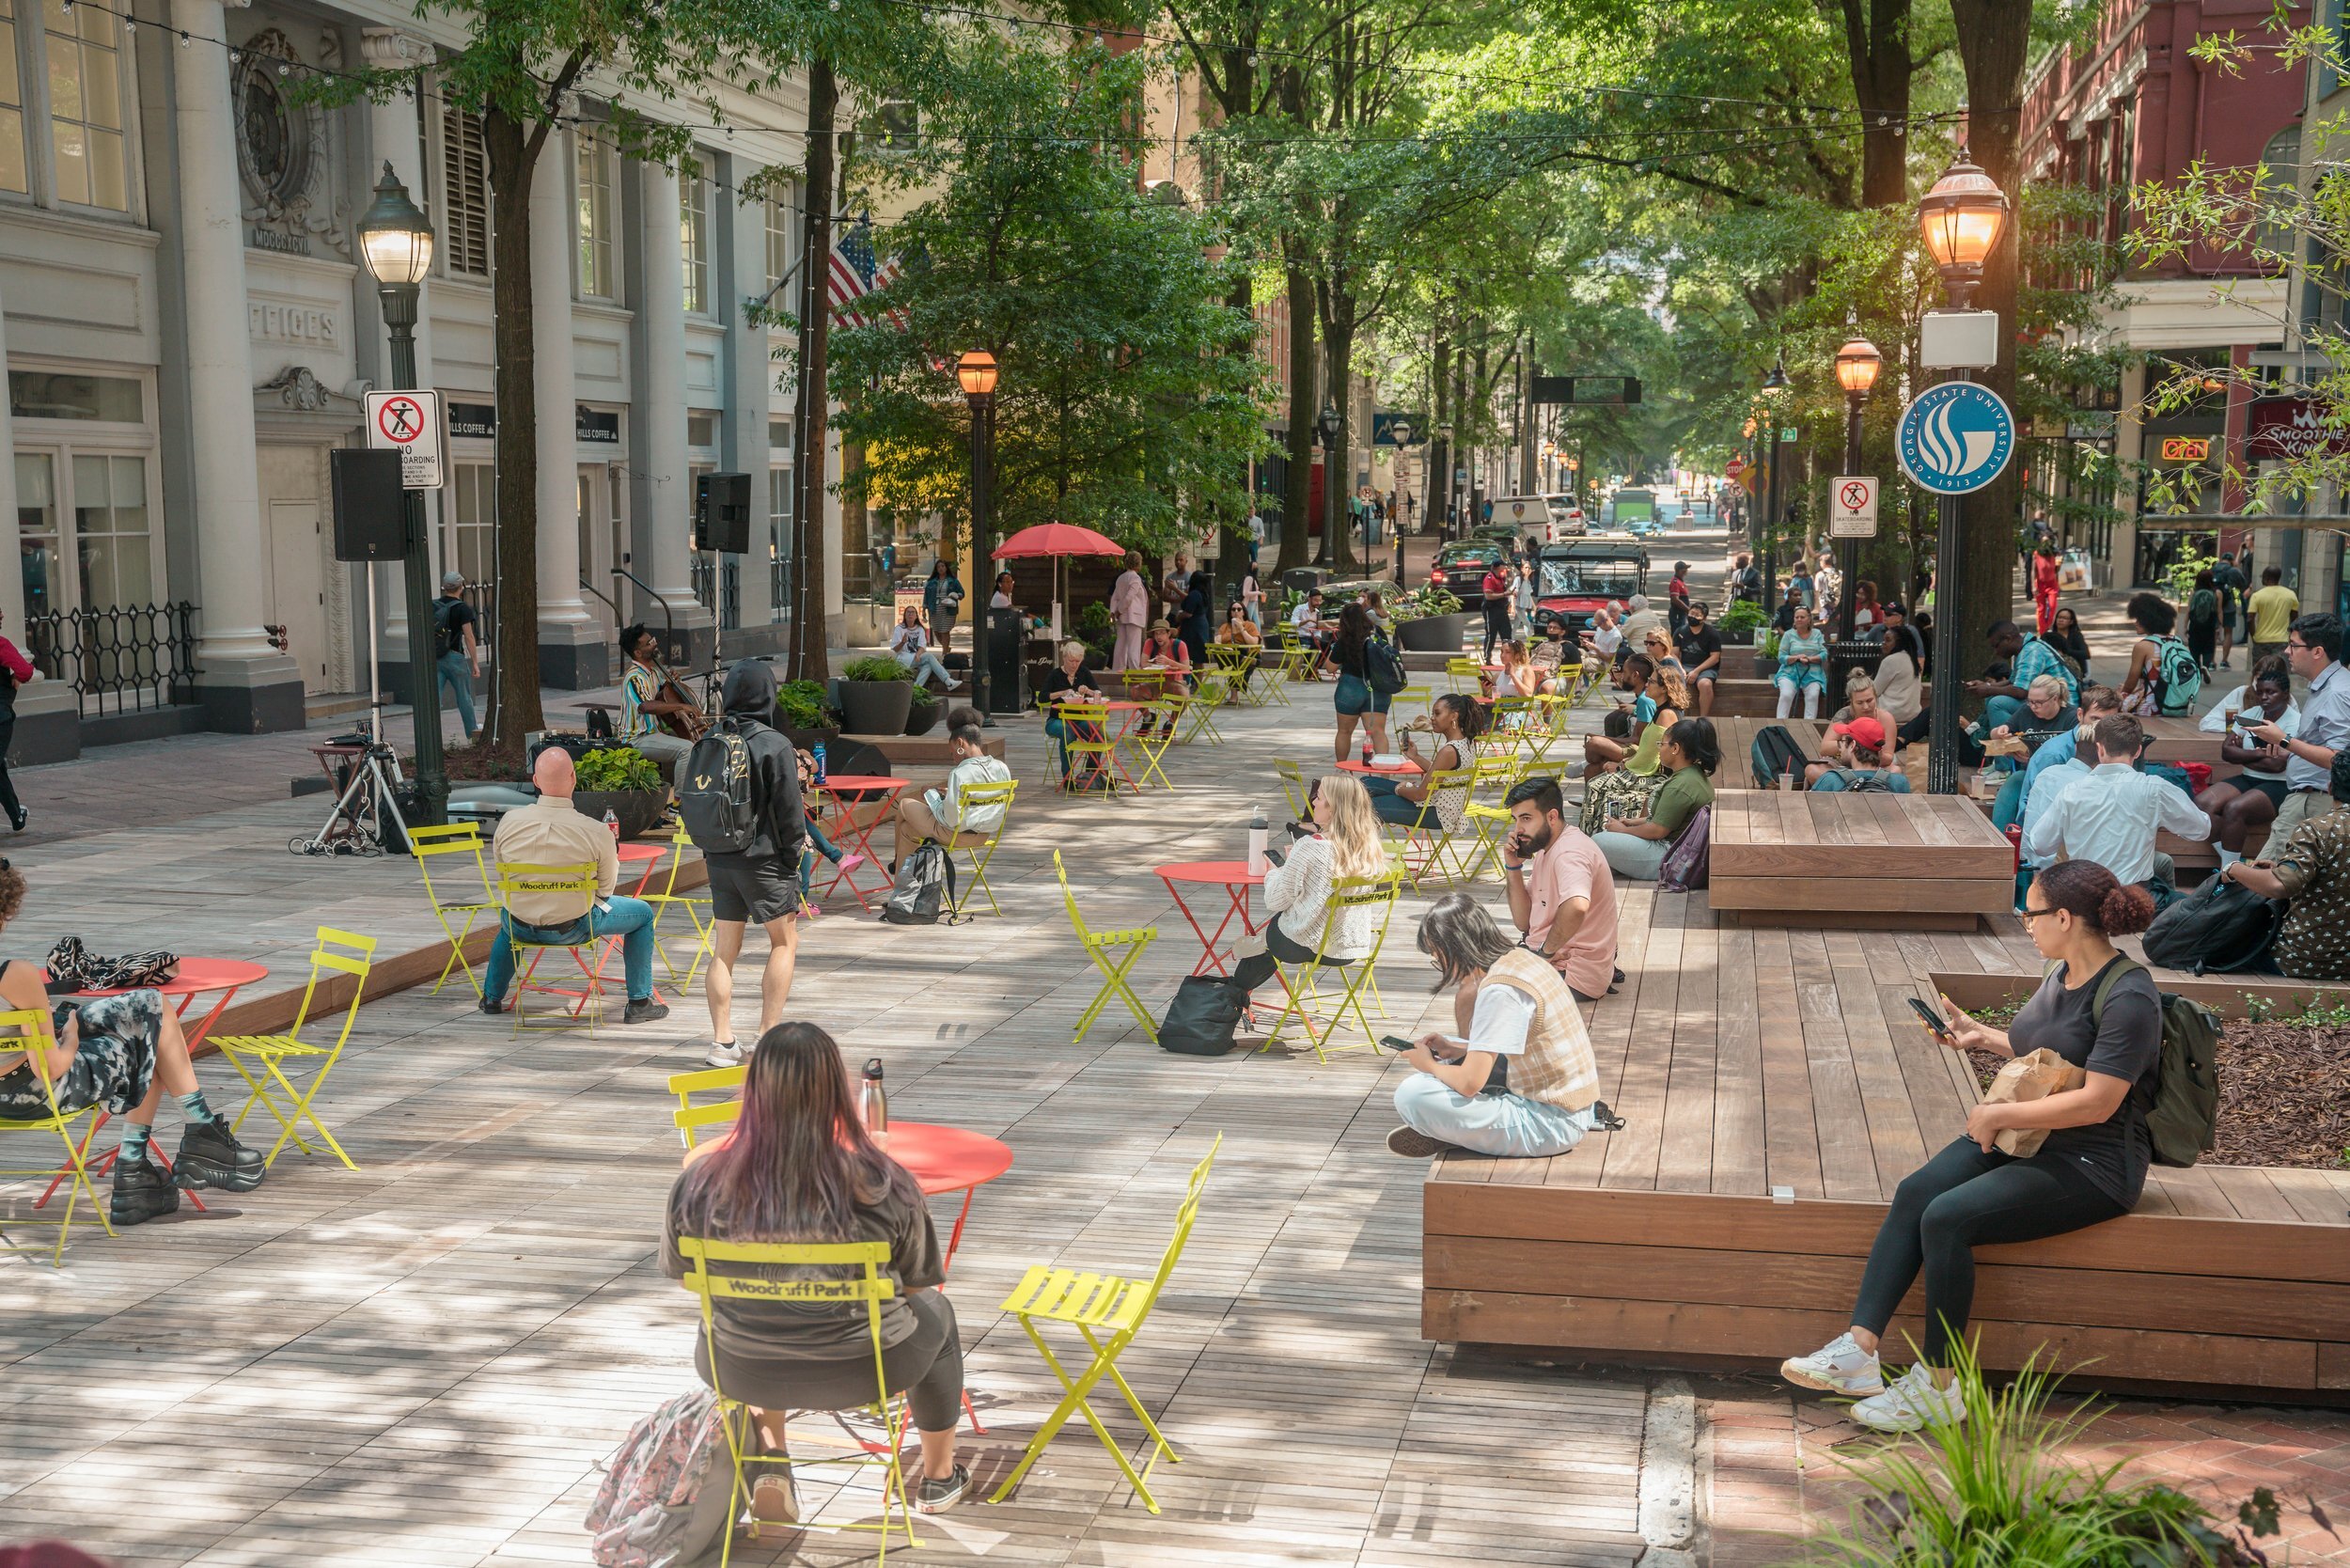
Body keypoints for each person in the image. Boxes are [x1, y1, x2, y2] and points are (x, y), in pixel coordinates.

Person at [1778, 859, 2161, 1433]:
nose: (2023, 924)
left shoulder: (2130, 995)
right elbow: (2051, 1057)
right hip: (2028, 1134)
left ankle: (1940, 1386)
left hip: (2092, 1163)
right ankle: (1859, 1354)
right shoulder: (2061, 972)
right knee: (1917, 1192)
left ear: (2064, 917)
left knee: (1948, 1217)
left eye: (2029, 913)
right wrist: (1984, 1038)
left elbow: (2099, 1102)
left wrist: (2001, 1110)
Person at [664, 1021, 972, 1518]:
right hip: (869, 1367)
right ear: (837, 1091)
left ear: (753, 1091)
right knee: (939, 1313)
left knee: (766, 1310)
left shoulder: (699, 1182)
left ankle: (772, 1462)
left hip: (739, 1364)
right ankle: (938, 1478)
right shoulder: (883, 1182)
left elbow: (682, 1274)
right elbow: (919, 1282)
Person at [0, 860, 265, 1226]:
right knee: (150, 1020)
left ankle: (144, 1172)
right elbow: (54, 1067)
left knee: (145, 1017)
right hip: (36, 1095)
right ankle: (174, 1146)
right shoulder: (14, 975)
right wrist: (71, 1034)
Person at [1385, 893, 1612, 1160]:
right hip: (1572, 1108)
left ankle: (1460, 1131)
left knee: (1412, 1094)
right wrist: (1457, 1050)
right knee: (1453, 1053)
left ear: (1455, 949)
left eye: (1439, 958)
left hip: (1548, 1125)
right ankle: (1466, 1130)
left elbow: (1470, 1083)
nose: (1441, 966)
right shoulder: (1522, 960)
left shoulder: (1501, 991)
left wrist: (1429, 1065)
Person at [481, 745, 670, 1027]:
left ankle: (492, 998)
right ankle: (639, 1002)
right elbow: (605, 890)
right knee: (642, 914)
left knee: (511, 916)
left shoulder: (509, 823)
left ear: (535, 781)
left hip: (519, 924)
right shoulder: (596, 831)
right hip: (575, 927)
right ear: (573, 778)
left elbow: (503, 875)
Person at [694, 662, 804, 1066]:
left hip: (719, 858)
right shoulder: (774, 743)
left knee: (724, 951)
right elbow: (790, 811)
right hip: (764, 859)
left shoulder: (710, 738)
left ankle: (722, 1042)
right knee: (784, 942)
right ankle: (767, 1036)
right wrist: (793, 858)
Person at [1229, 773, 1387, 1000]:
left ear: (1333, 808)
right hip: (1349, 947)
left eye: (1319, 797)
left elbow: (1274, 900)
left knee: (1276, 926)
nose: (1313, 801)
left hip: (1305, 944)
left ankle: (1235, 993)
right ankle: (1238, 990)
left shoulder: (1311, 847)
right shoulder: (1369, 849)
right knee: (1275, 932)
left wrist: (1276, 871)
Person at [2023, 714, 2208, 909]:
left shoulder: (2072, 791)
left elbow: (2040, 845)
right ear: (2137, 751)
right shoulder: (2155, 789)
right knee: (2196, 908)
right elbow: (2201, 830)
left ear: (2100, 749)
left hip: (2085, 899)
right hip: (2134, 900)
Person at [2217, 749, 2350, 980]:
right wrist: (2282, 868)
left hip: (2306, 960)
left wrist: (2235, 868)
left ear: (2330, 788)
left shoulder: (2317, 829)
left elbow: (2279, 886)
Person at [1498, 778, 1619, 1004]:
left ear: (1552, 816)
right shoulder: (1548, 847)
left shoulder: (1569, 854)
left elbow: (1576, 906)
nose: (1518, 830)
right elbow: (1524, 922)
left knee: (1485, 989)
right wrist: (1513, 866)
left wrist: (1545, 954)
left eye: (1526, 818)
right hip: (1551, 959)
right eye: (1515, 820)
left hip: (1574, 974)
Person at [2248, 612, 2350, 845]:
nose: (2287, 651)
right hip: (2308, 798)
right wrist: (2290, 750)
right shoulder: (2326, 686)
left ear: (2317, 652)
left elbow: (2338, 758)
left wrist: (2284, 740)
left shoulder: (2337, 692)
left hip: (2317, 802)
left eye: (2294, 646)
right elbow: (2322, 744)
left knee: (2272, 876)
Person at [2196, 661, 2296, 869]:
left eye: (2271, 692)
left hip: (2279, 785)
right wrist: (2261, 754)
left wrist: (2245, 754)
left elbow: (2278, 766)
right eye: (2260, 692)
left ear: (2285, 694)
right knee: (2202, 803)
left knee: (2234, 808)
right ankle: (2233, 864)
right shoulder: (2252, 714)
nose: (2264, 697)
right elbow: (2227, 752)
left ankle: (2230, 873)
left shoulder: (2294, 722)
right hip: (2249, 777)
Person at [888, 710, 1012, 874]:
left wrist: (932, 798)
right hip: (985, 834)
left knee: (904, 804)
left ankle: (897, 862)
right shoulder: (1001, 768)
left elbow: (951, 819)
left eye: (952, 752)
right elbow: (987, 800)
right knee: (907, 830)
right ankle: (901, 889)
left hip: (956, 835)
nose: (953, 757)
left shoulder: (960, 773)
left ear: (960, 743)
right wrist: (952, 797)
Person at [1593, 715, 1717, 880]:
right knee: (1609, 841)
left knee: (1598, 840)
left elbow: (1658, 830)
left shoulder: (1680, 786)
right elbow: (1669, 820)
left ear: (1675, 749)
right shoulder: (1692, 774)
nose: (1659, 749)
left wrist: (1624, 830)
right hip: (1679, 849)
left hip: (1671, 856)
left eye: (1661, 744)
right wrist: (1631, 822)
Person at [1364, 692, 1480, 828]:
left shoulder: (1449, 751)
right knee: (1366, 783)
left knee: (1366, 804)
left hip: (1437, 813)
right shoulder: (1467, 743)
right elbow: (1441, 772)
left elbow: (1420, 794)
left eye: (1437, 714)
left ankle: (1357, 843)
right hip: (1445, 808)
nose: (1432, 718)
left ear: (1454, 716)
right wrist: (1415, 757)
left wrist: (1399, 789)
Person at [619, 624, 699, 795]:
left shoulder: (654, 673)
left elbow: (663, 697)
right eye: (648, 643)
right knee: (686, 749)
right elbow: (646, 706)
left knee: (690, 744)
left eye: (653, 640)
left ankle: (683, 793)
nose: (654, 644)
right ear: (638, 653)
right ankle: (678, 802)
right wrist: (682, 705)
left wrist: (671, 683)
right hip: (636, 739)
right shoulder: (634, 677)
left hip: (654, 734)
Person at [1966, 619, 2079, 738]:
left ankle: (2009, 751)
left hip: (2062, 704)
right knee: (1992, 698)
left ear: (2008, 639)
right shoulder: (2024, 650)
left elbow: (2020, 691)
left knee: (1997, 703)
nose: (1996, 652)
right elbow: (2012, 682)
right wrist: (1986, 686)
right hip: (2043, 701)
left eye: (1996, 646)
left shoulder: (2032, 651)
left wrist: (1988, 690)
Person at [1326, 602, 1394, 763]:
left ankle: (1342, 771)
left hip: (1350, 687)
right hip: (1378, 687)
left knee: (1344, 731)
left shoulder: (1346, 638)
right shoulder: (1378, 633)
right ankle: (1384, 775)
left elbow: (1330, 668)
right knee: (1378, 732)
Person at [2116, 592, 2193, 717]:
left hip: (2150, 708)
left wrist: (2120, 693)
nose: (2136, 623)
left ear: (2148, 621)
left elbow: (2130, 684)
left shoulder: (2143, 646)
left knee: (2112, 698)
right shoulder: (2176, 642)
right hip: (2176, 705)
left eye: (2139, 619)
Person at [1042, 640, 1108, 786]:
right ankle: (1067, 778)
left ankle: (1091, 771)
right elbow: (1042, 697)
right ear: (1064, 658)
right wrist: (1061, 693)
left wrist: (1088, 691)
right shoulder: (1055, 674)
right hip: (1057, 719)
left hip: (1079, 718)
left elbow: (1097, 693)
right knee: (1068, 734)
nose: (1074, 664)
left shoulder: (1084, 672)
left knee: (1098, 734)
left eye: (1077, 661)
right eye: (1071, 661)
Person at [0, 607, 39, 832]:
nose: (3, 615)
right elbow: (25, 671)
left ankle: (17, 816)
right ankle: (17, 816)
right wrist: (14, 676)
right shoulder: (2, 645)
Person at [431, 571, 482, 741]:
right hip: (455, 657)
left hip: (436, 657)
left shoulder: (434, 605)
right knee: (464, 697)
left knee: (434, 700)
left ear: (444, 587)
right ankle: (472, 733)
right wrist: (475, 662)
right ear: (461, 587)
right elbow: (468, 636)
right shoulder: (462, 608)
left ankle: (432, 737)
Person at [1807, 716, 1910, 793]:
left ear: (1852, 745)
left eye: (1842, 741)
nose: (1841, 747)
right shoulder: (1899, 782)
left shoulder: (1831, 780)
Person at [1775, 605, 1827, 719]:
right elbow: (1781, 657)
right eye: (1796, 617)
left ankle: (1809, 725)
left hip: (1813, 673)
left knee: (1813, 696)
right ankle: (1780, 724)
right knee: (1786, 695)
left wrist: (1810, 659)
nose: (1799, 619)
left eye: (1802, 617)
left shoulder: (1817, 634)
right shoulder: (1788, 634)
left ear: (1809, 619)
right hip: (1790, 673)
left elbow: (1824, 654)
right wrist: (1797, 657)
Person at [888, 605, 954, 693]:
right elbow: (895, 649)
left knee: (928, 665)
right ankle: (947, 680)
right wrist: (902, 642)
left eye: (913, 612)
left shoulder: (920, 629)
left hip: (917, 658)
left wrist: (918, 654)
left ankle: (915, 688)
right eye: (908, 612)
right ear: (905, 615)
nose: (910, 614)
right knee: (929, 657)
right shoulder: (899, 629)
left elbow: (922, 646)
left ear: (916, 616)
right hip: (904, 659)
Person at [2247, 566, 2297, 667]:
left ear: (2266, 578)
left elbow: (2250, 619)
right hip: (2282, 640)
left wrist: (2254, 636)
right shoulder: (2290, 595)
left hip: (2261, 640)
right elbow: (2295, 619)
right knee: (2280, 671)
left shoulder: (2257, 596)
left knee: (2259, 671)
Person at [1109, 550, 1150, 672]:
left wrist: (1113, 612)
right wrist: (1119, 611)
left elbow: (1115, 597)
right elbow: (1129, 597)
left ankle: (1118, 670)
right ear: (1138, 564)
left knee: (1121, 644)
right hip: (1133, 616)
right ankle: (1134, 671)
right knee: (1134, 646)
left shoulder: (1120, 578)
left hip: (1121, 617)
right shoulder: (1135, 578)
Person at [1681, 601, 1723, 717]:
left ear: (1704, 618)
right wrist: (1681, 669)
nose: (1693, 617)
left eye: (1697, 615)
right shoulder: (1681, 631)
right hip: (1685, 666)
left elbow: (1715, 657)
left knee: (1705, 684)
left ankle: (1703, 718)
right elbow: (1674, 653)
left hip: (1706, 668)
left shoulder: (1712, 634)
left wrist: (1696, 671)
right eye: (1691, 613)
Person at [2213, 551, 2248, 670]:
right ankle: (2224, 661)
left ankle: (2211, 661)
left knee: (2214, 632)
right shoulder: (2233, 570)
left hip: (2214, 604)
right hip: (2228, 605)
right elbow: (2243, 585)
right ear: (2232, 561)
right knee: (2228, 632)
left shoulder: (2213, 569)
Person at [922, 558, 964, 655]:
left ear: (946, 568)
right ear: (936, 569)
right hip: (934, 608)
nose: (941, 568)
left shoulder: (953, 581)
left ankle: (944, 653)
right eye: (938, 567)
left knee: (945, 631)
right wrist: (924, 609)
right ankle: (946, 647)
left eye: (943, 566)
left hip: (948, 608)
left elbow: (962, 592)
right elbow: (926, 596)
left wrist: (957, 595)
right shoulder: (931, 582)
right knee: (936, 631)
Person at [2186, 569, 2220, 674]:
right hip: (2209, 625)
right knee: (2209, 647)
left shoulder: (2194, 593)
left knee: (2194, 648)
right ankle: (2205, 666)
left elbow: (2189, 610)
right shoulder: (2217, 593)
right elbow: (2219, 611)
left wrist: (2184, 626)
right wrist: (2219, 626)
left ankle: (2197, 668)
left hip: (2195, 625)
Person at [1480, 560, 1513, 661]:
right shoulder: (1490, 578)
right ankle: (1487, 657)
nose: (1505, 568)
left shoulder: (1500, 578)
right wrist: (1504, 594)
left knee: (1506, 633)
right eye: (1503, 566)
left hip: (1501, 608)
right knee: (1491, 634)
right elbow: (1488, 596)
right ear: (1498, 567)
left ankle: (1508, 656)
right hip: (1491, 609)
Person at [1179, 570, 1214, 666]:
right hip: (1202, 625)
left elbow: (1189, 613)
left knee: (1190, 655)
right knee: (1199, 657)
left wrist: (1179, 616)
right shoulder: (1204, 594)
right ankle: (1198, 680)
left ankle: (1191, 679)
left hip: (1192, 628)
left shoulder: (1194, 594)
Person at [2047, 604, 2092, 671]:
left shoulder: (2076, 635)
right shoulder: (2049, 636)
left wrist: (2066, 652)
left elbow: (2086, 654)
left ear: (2071, 622)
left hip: (2074, 671)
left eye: (2065, 618)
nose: (2061, 620)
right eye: (2059, 617)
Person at [2031, 539, 2061, 634]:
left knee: (2052, 606)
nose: (2046, 544)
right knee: (2041, 608)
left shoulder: (2053, 554)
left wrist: (2059, 563)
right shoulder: (2036, 554)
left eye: (2048, 541)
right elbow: (2033, 570)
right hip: (2040, 584)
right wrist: (2033, 586)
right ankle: (2042, 631)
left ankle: (2047, 625)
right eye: (2044, 542)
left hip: (2052, 584)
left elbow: (2056, 571)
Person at [1290, 588, 1332, 652]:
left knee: (1328, 646)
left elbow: (1318, 628)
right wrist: (1308, 620)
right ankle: (1308, 662)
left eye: (1320, 600)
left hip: (1310, 638)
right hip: (1298, 637)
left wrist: (1317, 638)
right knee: (1309, 646)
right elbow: (1293, 623)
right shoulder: (1299, 608)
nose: (1318, 603)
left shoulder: (1317, 612)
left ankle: (1319, 662)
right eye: (1316, 600)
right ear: (1309, 599)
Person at [1582, 602, 1623, 667]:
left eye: (1598, 624)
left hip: (1603, 662)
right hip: (1592, 655)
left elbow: (1610, 660)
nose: (1598, 626)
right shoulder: (1600, 629)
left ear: (1606, 621)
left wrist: (1596, 649)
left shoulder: (1615, 636)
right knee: (1575, 653)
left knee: (1579, 662)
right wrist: (1588, 644)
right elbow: (1593, 646)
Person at [1514, 559, 1538, 642]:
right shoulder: (1518, 579)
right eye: (1526, 568)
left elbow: (1529, 595)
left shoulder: (1528, 581)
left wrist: (1534, 607)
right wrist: (1513, 607)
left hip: (1524, 605)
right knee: (1527, 623)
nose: (1527, 570)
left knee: (1516, 624)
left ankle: (1511, 638)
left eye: (1529, 568)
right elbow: (1513, 592)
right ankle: (1530, 640)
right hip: (1518, 605)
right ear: (1522, 569)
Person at [1666, 561, 1691, 639]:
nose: (1687, 571)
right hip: (1677, 613)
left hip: (1681, 613)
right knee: (1678, 633)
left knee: (1682, 633)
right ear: (1681, 571)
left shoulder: (1680, 581)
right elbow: (1675, 599)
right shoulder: (1675, 582)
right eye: (1685, 569)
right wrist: (1687, 609)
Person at [1240, 563, 1265, 629]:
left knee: (1256, 619)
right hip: (1249, 602)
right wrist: (1258, 593)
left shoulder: (1254, 579)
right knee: (1248, 619)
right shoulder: (1249, 578)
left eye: (1257, 567)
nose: (1256, 569)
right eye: (1254, 567)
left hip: (1254, 602)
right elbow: (1245, 593)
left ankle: (1257, 635)